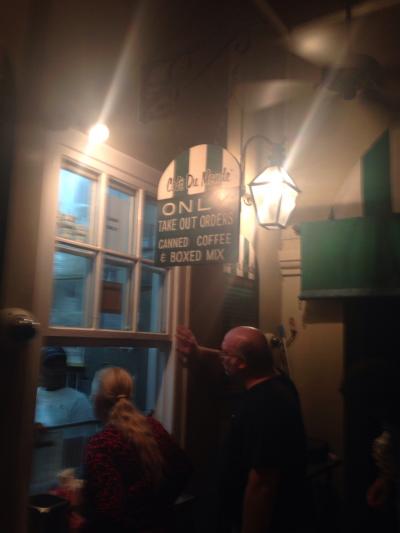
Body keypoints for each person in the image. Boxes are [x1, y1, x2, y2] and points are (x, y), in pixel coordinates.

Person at [176, 325, 307, 533]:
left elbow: (263, 483)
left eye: (225, 354)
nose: (220, 357)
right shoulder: (279, 381)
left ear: (241, 363)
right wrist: (198, 351)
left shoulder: (265, 405)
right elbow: (244, 355)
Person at [82, 367, 192, 533]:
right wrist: (159, 507)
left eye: (92, 393)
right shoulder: (153, 426)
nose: (90, 397)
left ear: (99, 399)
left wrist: (83, 526)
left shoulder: (100, 445)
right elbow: (184, 469)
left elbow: (108, 513)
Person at [35, 346, 93, 426]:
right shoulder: (33, 395)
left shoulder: (78, 400)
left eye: (60, 365)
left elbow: (83, 432)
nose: (56, 371)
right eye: (51, 366)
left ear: (65, 368)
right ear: (40, 369)